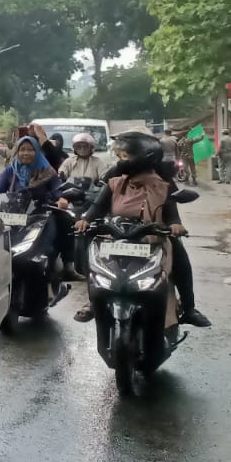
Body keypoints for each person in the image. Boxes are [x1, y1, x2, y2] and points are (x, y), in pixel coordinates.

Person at [73, 131, 210, 328]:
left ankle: (188, 308)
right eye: (119, 155)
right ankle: (95, 301)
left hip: (152, 237)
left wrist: (175, 225)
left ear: (142, 156)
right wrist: (85, 220)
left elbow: (172, 213)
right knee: (89, 251)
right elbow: (96, 207)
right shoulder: (114, 181)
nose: (119, 160)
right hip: (116, 237)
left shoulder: (164, 185)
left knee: (180, 255)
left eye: (124, 155)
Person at [0, 135, 70, 282]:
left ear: (37, 152)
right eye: (22, 150)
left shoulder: (47, 171)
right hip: (14, 216)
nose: (25, 153)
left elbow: (57, 189)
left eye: (30, 150)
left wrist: (61, 199)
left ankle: (51, 271)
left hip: (40, 215)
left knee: (48, 242)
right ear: (17, 151)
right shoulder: (11, 170)